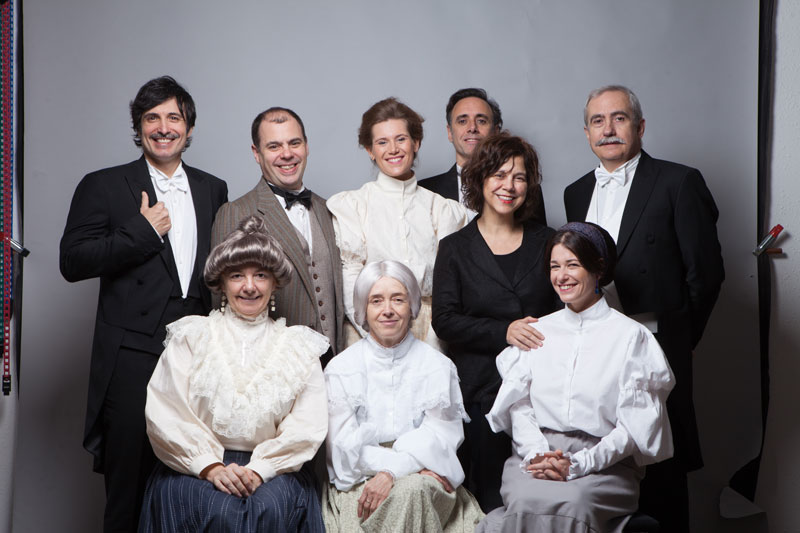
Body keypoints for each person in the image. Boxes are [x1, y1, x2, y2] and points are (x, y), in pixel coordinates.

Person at [59, 76, 228, 532]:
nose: (163, 127)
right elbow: (72, 261)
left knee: (191, 487)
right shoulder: (103, 184)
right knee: (128, 490)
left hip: (196, 356)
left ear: (189, 128)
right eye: (152, 118)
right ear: (139, 127)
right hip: (132, 357)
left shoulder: (213, 188)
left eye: (174, 117)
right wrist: (143, 231)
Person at [564, 85, 724, 531]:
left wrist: (680, 338)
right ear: (586, 132)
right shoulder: (576, 192)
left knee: (661, 462)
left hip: (657, 342)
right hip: (596, 347)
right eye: (598, 121)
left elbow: (706, 274)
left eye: (619, 118)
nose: (608, 129)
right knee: (603, 459)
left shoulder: (679, 181)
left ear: (640, 126)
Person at [478, 222, 675, 533]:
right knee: (527, 500)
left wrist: (581, 463)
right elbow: (520, 408)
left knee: (573, 504)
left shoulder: (631, 337)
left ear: (598, 268)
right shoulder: (538, 331)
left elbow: (633, 428)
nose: (561, 276)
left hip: (606, 464)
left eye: (572, 265)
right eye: (554, 266)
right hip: (535, 453)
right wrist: (539, 454)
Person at [139, 216, 328, 532]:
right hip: (196, 466)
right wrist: (210, 467)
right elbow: (166, 413)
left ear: (275, 282)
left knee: (267, 508)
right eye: (237, 275)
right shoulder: (191, 337)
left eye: (260, 275)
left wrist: (260, 470)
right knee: (219, 511)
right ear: (222, 282)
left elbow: (306, 425)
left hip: (274, 469)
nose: (249, 286)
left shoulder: (300, 346)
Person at [432, 132, 560, 511]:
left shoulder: (549, 241)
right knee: (490, 495)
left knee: (543, 490)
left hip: (542, 388)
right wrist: (504, 331)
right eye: (499, 175)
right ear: (480, 179)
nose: (509, 186)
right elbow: (444, 320)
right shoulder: (454, 247)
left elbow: (566, 311)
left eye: (519, 177)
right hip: (480, 391)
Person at [322, 260, 483, 532]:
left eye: (398, 299)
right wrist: (405, 466)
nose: (388, 310)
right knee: (408, 488)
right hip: (361, 480)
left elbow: (442, 439)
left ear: (412, 307)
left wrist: (392, 472)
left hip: (426, 480)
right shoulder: (341, 368)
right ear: (363, 310)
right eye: (376, 301)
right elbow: (343, 451)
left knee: (414, 489)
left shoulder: (438, 365)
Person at [327, 97, 468, 348]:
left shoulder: (442, 209)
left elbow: (449, 286)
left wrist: (431, 348)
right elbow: (351, 283)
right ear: (370, 150)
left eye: (401, 139)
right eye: (382, 142)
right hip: (368, 331)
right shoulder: (353, 206)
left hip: (431, 330)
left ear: (416, 143)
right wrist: (376, 337)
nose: (393, 149)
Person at [211, 107, 344, 363]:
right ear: (256, 153)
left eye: (294, 143)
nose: (287, 154)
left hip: (333, 364)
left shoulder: (330, 210)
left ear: (306, 146)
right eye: (274, 146)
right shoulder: (235, 212)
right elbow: (221, 305)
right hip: (270, 365)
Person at [419, 88, 546, 225]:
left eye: (481, 121)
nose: (472, 128)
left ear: (496, 132)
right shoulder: (424, 191)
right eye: (462, 121)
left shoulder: (524, 189)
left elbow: (537, 236)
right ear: (450, 132)